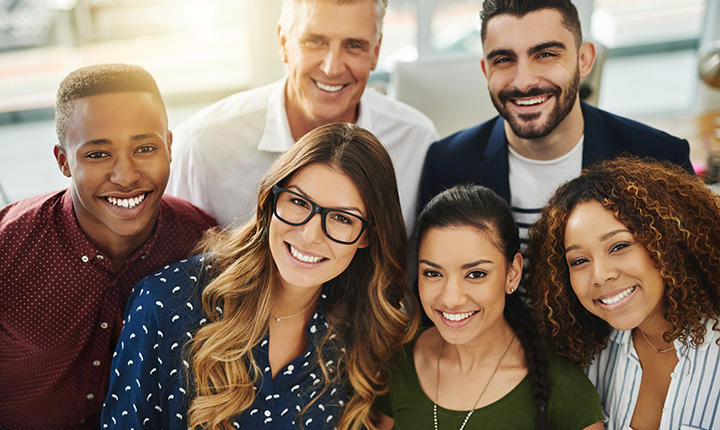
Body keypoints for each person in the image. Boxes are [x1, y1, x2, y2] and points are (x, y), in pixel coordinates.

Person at [101, 123, 419, 429]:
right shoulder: (166, 304)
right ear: (271, 199)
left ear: (367, 236)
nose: (310, 235)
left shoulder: (367, 331)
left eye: (340, 218)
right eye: (298, 201)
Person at [0, 63, 217, 429]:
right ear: (63, 161)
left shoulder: (202, 242)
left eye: (145, 148)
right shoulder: (8, 247)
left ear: (169, 146)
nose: (126, 176)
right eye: (98, 155)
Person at [418, 0, 693, 245]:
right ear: (485, 70)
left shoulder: (659, 159)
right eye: (503, 59)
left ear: (584, 60)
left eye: (546, 54)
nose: (524, 81)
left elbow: (696, 282)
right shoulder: (445, 164)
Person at [167, 0, 438, 231]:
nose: (332, 68)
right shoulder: (200, 147)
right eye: (315, 41)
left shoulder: (416, 141)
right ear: (283, 43)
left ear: (375, 52)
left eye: (354, 45)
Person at [374, 184, 604, 429]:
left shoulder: (564, 388)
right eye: (432, 273)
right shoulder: (398, 361)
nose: (451, 299)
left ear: (512, 274)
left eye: (475, 274)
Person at [527, 157, 720, 429]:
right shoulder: (591, 357)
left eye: (618, 246)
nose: (600, 275)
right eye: (579, 261)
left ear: (669, 242)